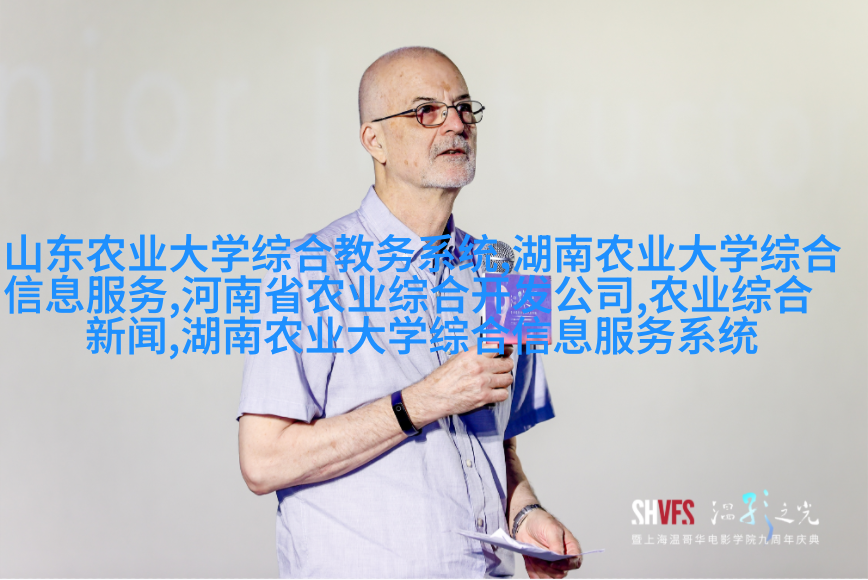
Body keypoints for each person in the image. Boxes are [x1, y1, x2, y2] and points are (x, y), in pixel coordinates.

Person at [237, 46, 582, 579]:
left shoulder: (508, 269)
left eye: (464, 108)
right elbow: (263, 462)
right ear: (373, 140)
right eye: (426, 112)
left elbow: (502, 443)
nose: (456, 124)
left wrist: (525, 512)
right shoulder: (303, 269)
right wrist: (422, 401)